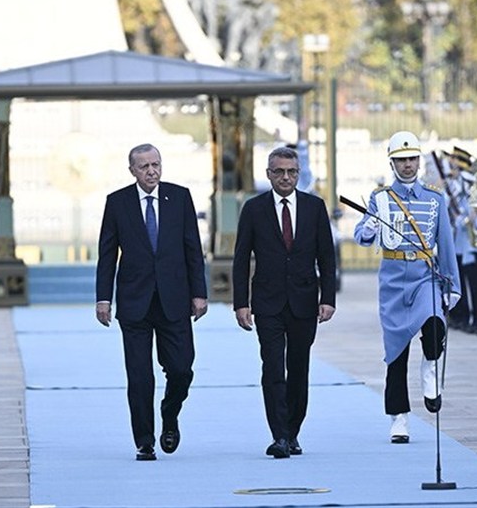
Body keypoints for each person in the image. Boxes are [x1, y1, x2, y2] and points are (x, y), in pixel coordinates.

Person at [95, 143, 208, 461]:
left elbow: (193, 248)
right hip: (135, 303)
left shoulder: (180, 197)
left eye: (155, 164)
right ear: (132, 170)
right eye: (144, 166)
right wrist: (103, 298)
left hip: (174, 299)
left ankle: (169, 415)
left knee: (181, 369)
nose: (151, 171)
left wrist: (199, 293)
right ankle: (144, 441)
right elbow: (107, 253)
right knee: (140, 377)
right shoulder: (117, 202)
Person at [353, 131, 460, 444]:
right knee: (396, 354)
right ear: (392, 163)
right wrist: (369, 227)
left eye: (412, 158)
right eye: (401, 160)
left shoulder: (435, 199)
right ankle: (398, 418)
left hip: (425, 276)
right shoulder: (380, 198)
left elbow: (445, 243)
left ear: (419, 160)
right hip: (393, 281)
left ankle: (430, 367)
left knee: (435, 325)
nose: (407, 165)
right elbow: (361, 236)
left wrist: (452, 283)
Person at [232, 146, 336, 458]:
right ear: (268, 174)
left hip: (304, 301)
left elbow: (326, 257)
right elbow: (241, 258)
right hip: (268, 303)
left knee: (299, 370)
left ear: (298, 174)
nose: (285, 177)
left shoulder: (315, 207)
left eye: (291, 172)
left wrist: (328, 298)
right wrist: (241, 303)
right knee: (273, 369)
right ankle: (279, 435)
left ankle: (293, 432)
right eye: (279, 172)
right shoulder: (254, 209)